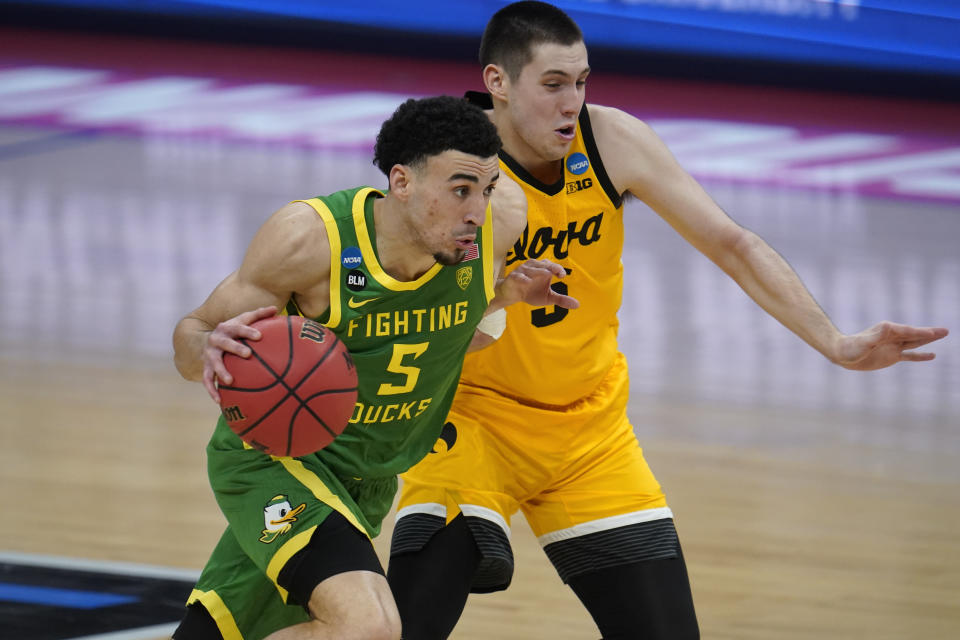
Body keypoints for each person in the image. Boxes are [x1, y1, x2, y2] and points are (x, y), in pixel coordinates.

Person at [386, 4, 951, 639]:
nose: (572, 102)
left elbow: (731, 243)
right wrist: (497, 298)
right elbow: (409, 320)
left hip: (587, 433)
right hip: (474, 426)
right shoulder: (458, 176)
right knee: (408, 627)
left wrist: (837, 343)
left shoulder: (611, 141)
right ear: (498, 83)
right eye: (552, 85)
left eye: (581, 81)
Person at [169, 95, 577, 640]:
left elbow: (446, 333)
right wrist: (209, 347)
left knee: (225, 628)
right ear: (402, 182)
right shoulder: (311, 239)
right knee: (370, 627)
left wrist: (504, 295)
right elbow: (191, 336)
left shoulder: (494, 227)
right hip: (276, 461)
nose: (476, 210)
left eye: (487, 189)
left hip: (368, 480)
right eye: (460, 190)